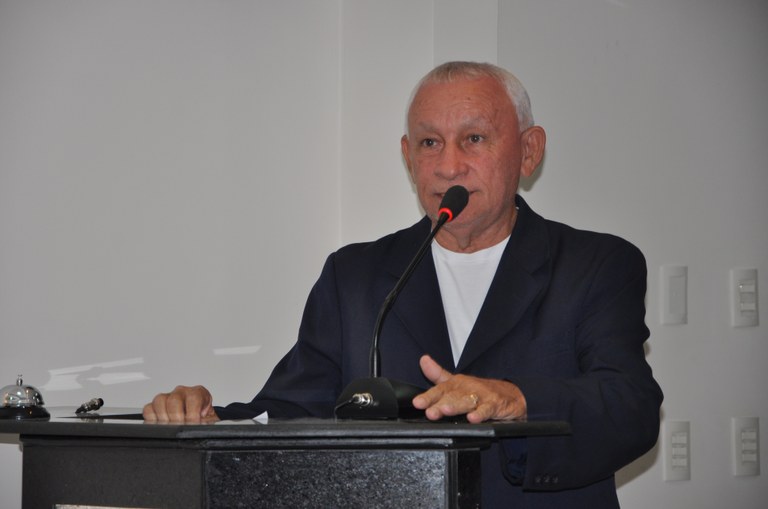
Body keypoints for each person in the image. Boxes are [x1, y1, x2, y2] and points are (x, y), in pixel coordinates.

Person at [144, 61, 663, 507]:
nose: (448, 166)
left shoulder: (594, 265)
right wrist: (208, 419)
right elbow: (293, 412)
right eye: (429, 143)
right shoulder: (356, 276)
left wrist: (517, 399)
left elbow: (630, 406)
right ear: (408, 156)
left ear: (529, 151)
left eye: (474, 139)